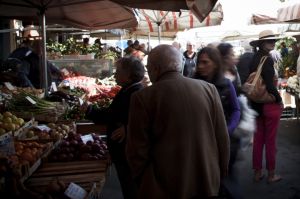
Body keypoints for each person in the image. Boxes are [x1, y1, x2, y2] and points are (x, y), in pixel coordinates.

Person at [126, 44, 230, 199]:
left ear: (155, 69)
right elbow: (222, 139)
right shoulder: (209, 89)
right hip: (207, 181)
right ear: (180, 65)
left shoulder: (143, 97)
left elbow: (137, 150)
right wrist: (219, 174)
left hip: (164, 187)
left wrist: (143, 180)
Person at [84, 56, 145, 199]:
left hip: (127, 153)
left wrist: (90, 111)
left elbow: (112, 116)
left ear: (129, 76)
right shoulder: (128, 90)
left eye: (118, 71)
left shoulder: (134, 93)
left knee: (130, 187)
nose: (115, 74)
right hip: (122, 151)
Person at [194, 47, 241, 199]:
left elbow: (236, 110)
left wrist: (227, 130)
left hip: (222, 143)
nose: (200, 66)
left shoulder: (226, 84)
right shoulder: (192, 84)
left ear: (215, 63)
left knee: (220, 180)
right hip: (199, 144)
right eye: (199, 62)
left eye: (205, 62)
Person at [248, 30, 283, 183]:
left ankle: (257, 173)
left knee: (258, 140)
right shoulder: (267, 59)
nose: (273, 43)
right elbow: (269, 84)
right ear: (262, 43)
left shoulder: (254, 58)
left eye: (273, 40)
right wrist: (279, 98)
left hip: (256, 105)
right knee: (270, 141)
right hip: (269, 105)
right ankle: (271, 174)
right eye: (270, 41)